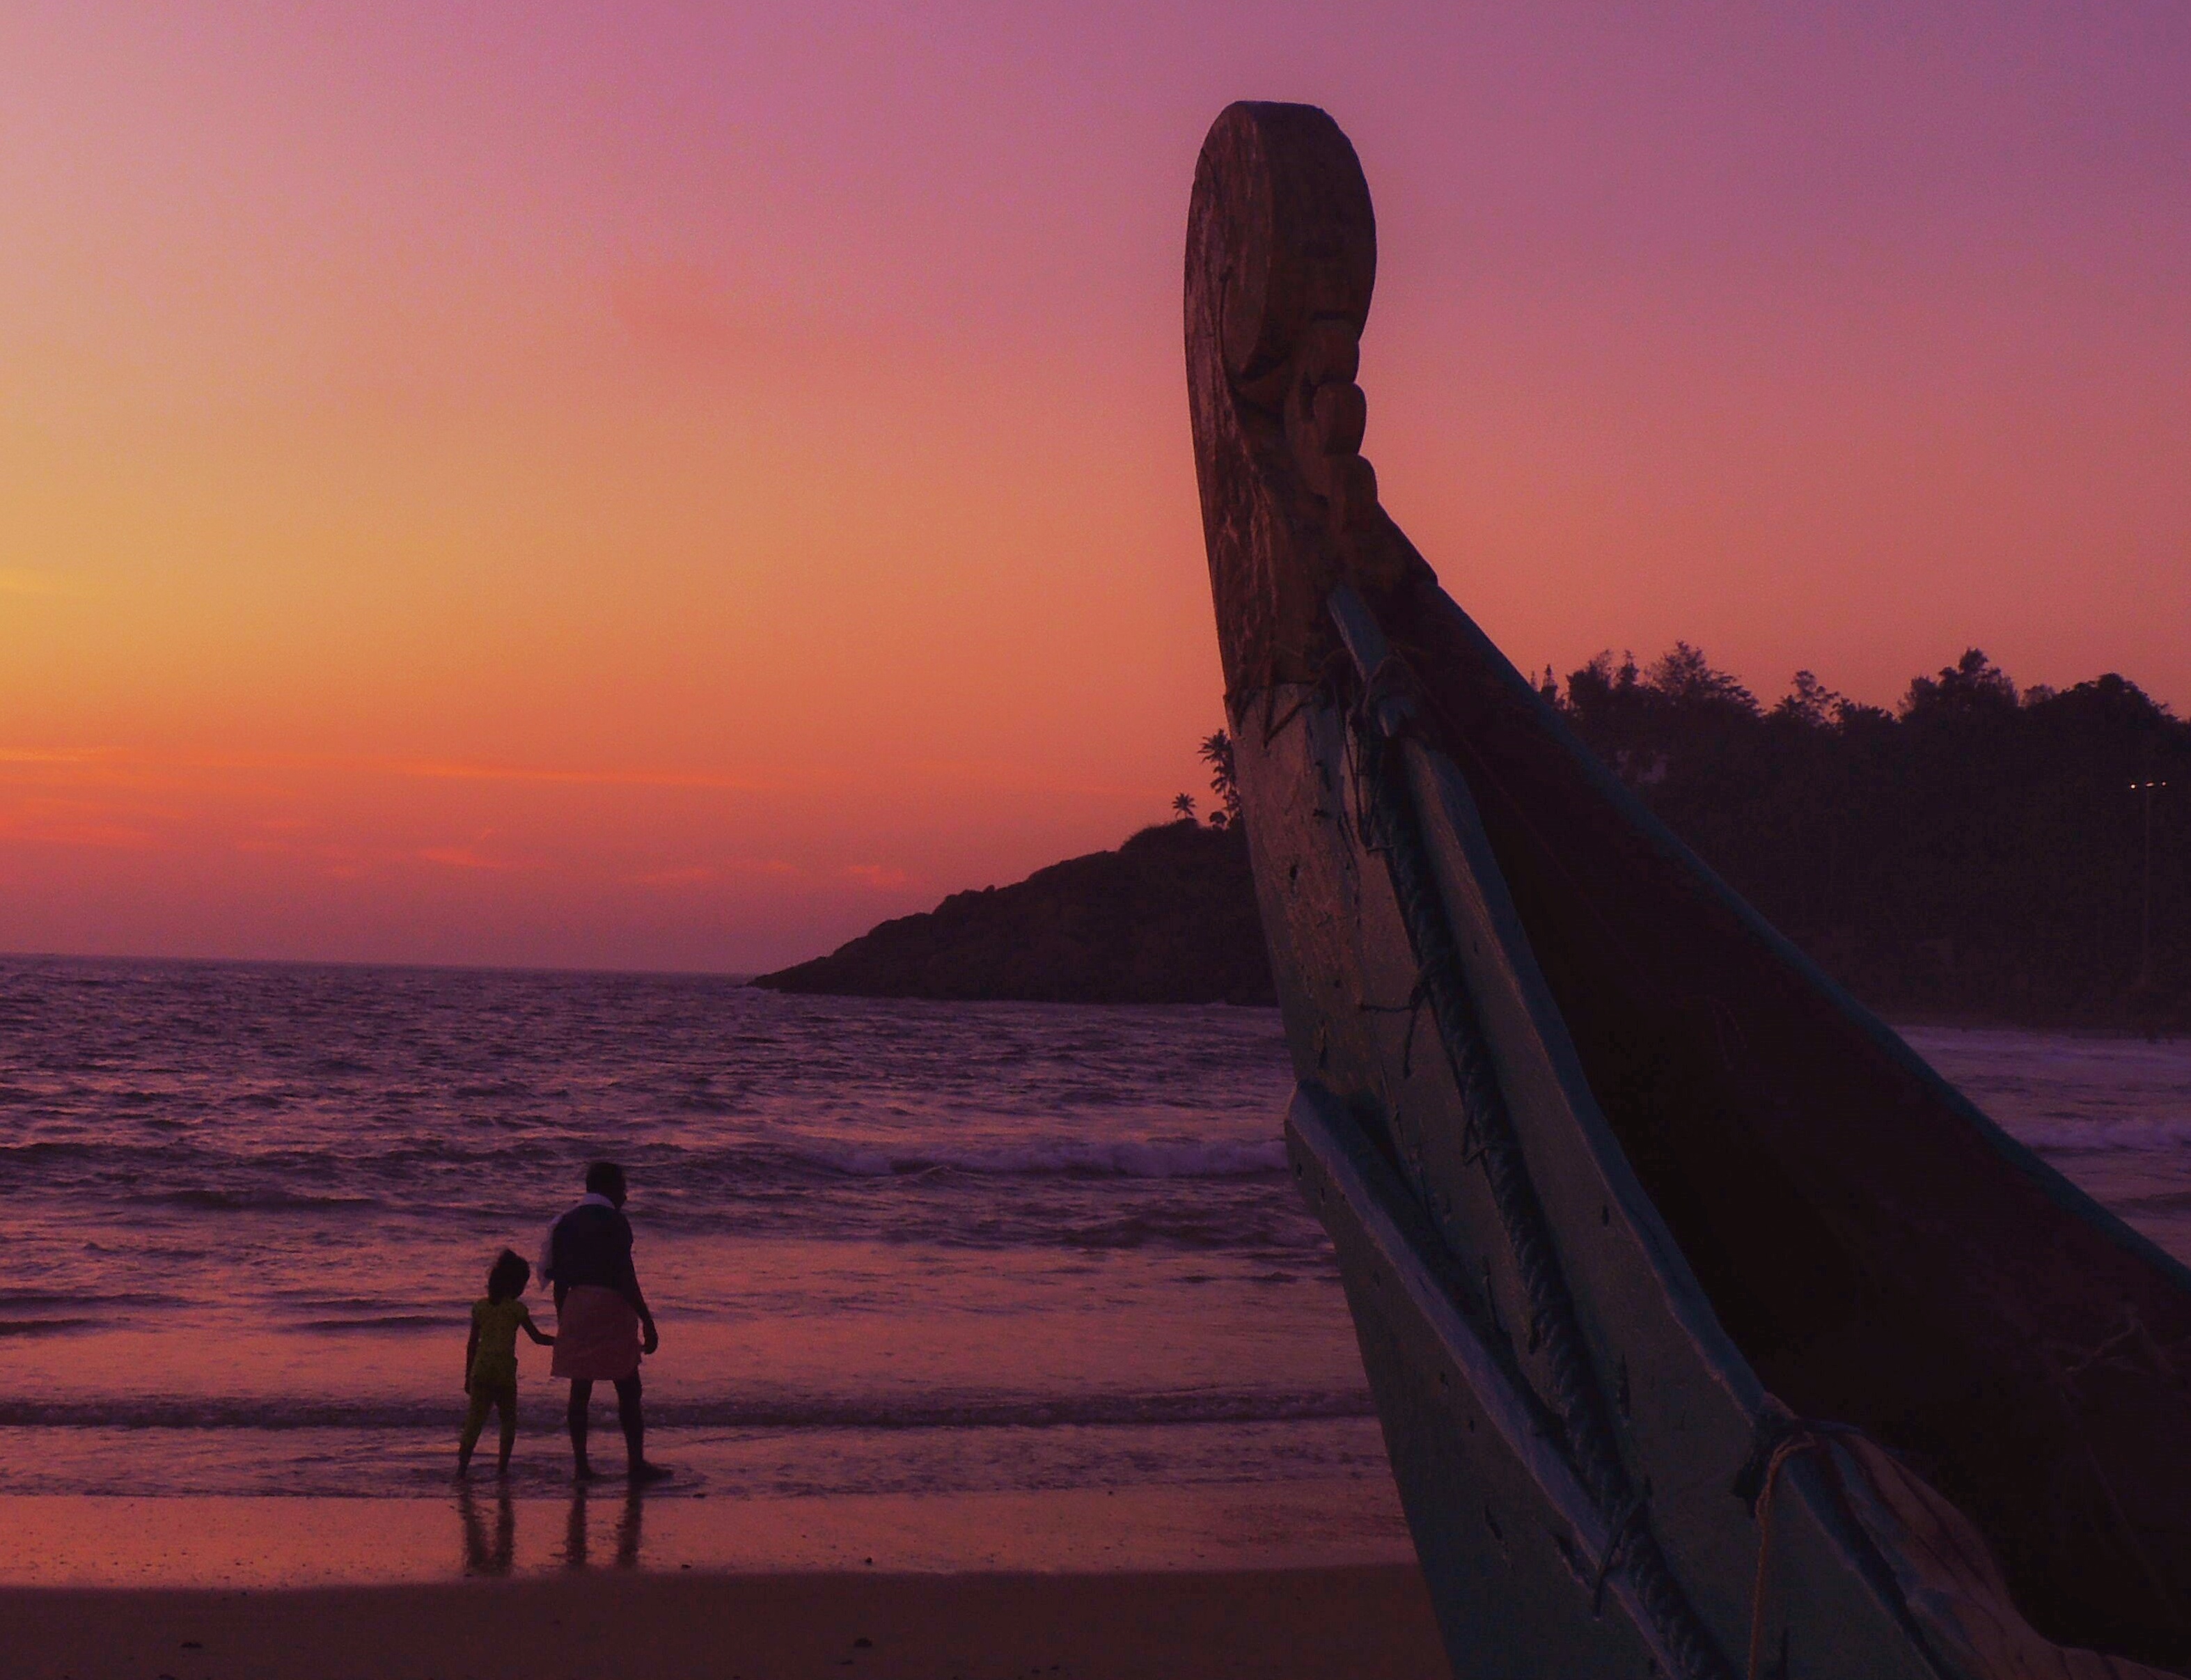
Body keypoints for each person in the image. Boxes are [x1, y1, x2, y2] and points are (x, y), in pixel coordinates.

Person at [541, 1161, 666, 1482]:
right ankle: (635, 1464)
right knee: (628, 1387)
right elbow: (626, 1277)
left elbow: (559, 1282)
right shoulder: (616, 1222)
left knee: (580, 1388)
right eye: (622, 1188)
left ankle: (582, 1466)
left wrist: (563, 1318)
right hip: (611, 1305)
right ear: (610, 1188)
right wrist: (647, 1319)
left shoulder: (565, 1222)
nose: (625, 1195)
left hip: (577, 1305)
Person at [457, 1248, 555, 1478]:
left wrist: (467, 1375)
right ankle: (502, 1470)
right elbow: (538, 1338)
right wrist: (562, 1342)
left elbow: (472, 1345)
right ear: (515, 1285)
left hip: (481, 1371)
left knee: (474, 1422)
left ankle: (462, 1469)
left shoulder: (481, 1308)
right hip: (504, 1374)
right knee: (508, 1423)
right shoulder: (517, 1310)